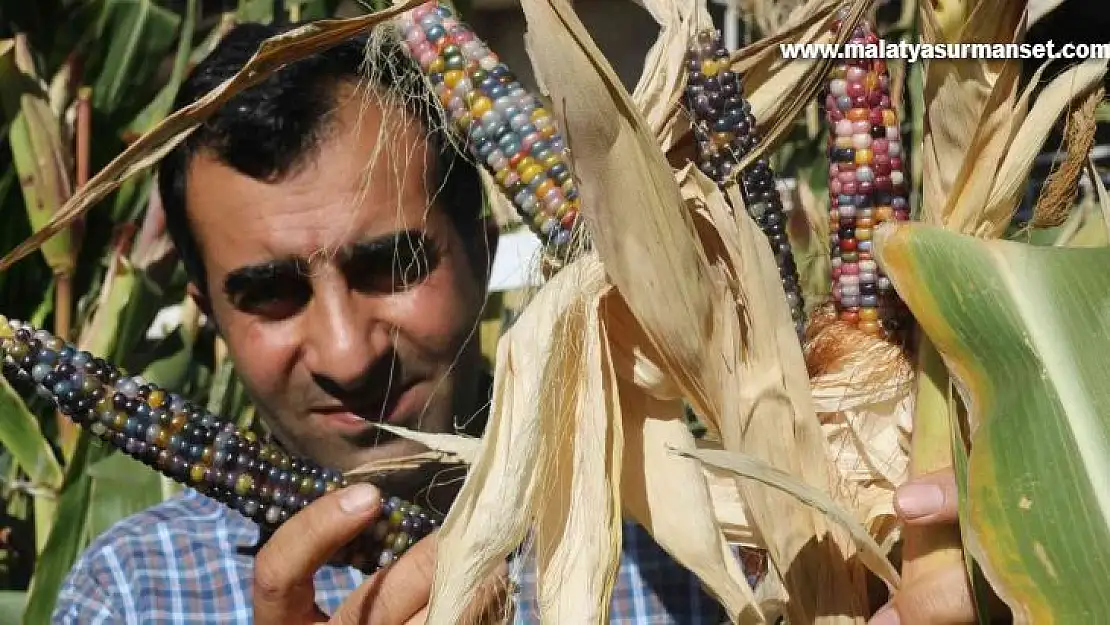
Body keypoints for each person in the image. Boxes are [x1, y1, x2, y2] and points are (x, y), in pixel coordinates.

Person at [51, 18, 985, 625]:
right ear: (209, 312)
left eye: (392, 264)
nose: (345, 351)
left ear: (478, 234)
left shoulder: (713, 543)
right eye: (269, 292)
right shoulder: (131, 592)